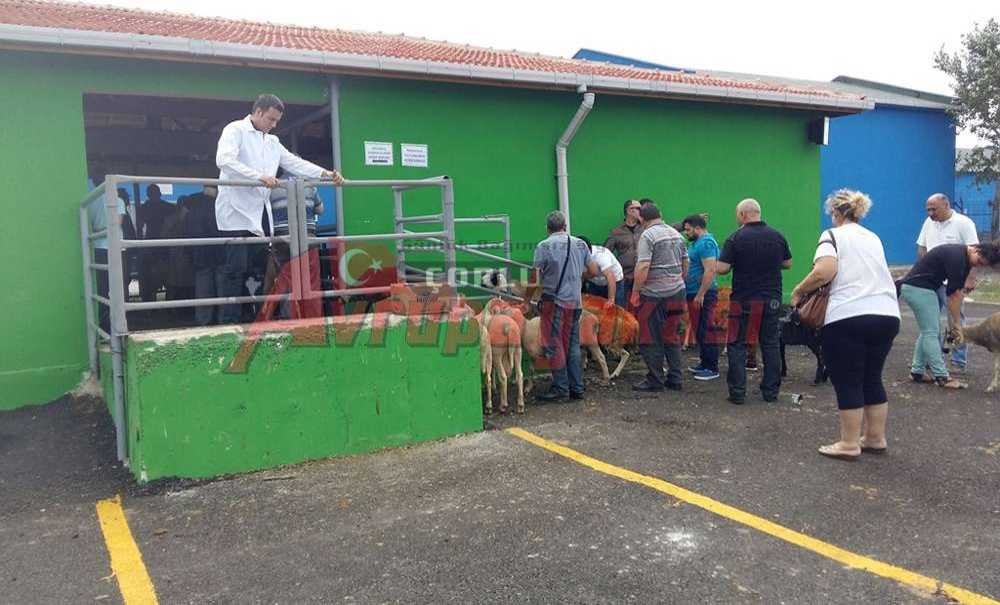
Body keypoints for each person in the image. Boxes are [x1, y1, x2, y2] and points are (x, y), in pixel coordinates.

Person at [790, 190, 901, 461]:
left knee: (848, 378)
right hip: (887, 313)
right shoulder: (873, 238)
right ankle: (875, 438)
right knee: (872, 377)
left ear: (836, 213)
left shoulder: (832, 235)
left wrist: (798, 290)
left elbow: (825, 270)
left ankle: (849, 443)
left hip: (849, 315)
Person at [214, 93, 343, 324]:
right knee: (235, 267)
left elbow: (294, 163)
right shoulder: (235, 130)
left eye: (277, 121)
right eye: (271, 119)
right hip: (235, 209)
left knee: (259, 267)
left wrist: (325, 173)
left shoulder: (272, 142)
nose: (274, 125)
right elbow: (224, 160)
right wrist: (259, 177)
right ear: (259, 112)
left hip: (260, 213)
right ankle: (229, 320)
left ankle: (255, 316)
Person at [716, 198, 792, 404]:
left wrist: (714, 263)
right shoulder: (777, 236)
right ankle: (770, 393)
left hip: (743, 300)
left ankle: (738, 393)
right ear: (758, 212)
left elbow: (723, 268)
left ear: (742, 215)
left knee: (736, 344)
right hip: (772, 299)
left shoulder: (736, 238)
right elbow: (788, 263)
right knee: (770, 343)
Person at [898, 240, 1000, 388]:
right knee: (932, 332)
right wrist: (957, 323)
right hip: (917, 288)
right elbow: (953, 295)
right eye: (979, 261)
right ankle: (942, 376)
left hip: (925, 287)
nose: (978, 265)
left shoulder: (964, 259)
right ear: (975, 250)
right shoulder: (958, 258)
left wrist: (957, 322)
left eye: (982, 265)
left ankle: (917, 371)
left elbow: (957, 293)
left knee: (929, 329)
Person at [525, 210, 599, 402]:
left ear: (548, 228)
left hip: (553, 303)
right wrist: (576, 279)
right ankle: (577, 388)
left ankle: (561, 389)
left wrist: (526, 300)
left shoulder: (544, 246)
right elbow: (593, 270)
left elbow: (534, 279)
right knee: (573, 345)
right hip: (575, 305)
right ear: (565, 226)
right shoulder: (580, 244)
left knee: (553, 346)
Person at [916, 193, 979, 372]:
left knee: (956, 320)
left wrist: (971, 278)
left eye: (933, 209)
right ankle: (933, 360)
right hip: (931, 281)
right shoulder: (929, 223)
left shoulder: (964, 223)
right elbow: (922, 247)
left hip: (953, 282)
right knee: (929, 322)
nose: (930, 213)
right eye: (927, 209)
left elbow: (975, 253)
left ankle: (958, 362)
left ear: (946, 205)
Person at [630, 201, 688, 392]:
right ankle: (676, 378)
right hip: (677, 292)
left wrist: (636, 291)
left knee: (650, 337)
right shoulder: (676, 234)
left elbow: (644, 266)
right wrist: (679, 280)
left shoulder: (648, 235)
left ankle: (655, 379)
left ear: (642, 219)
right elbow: (685, 261)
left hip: (654, 295)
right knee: (672, 335)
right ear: (660, 214)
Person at [262, 183, 324, 319]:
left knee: (286, 283)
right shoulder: (310, 186)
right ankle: (313, 319)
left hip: (283, 240)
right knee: (311, 283)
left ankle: (289, 320)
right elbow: (320, 210)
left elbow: (266, 211)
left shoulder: (273, 188)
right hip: (308, 239)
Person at [682, 213, 721, 381]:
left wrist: (701, 294)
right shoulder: (697, 242)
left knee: (707, 329)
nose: (686, 233)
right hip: (694, 292)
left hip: (704, 294)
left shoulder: (706, 243)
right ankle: (704, 363)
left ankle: (712, 367)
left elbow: (710, 270)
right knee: (699, 330)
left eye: (688, 230)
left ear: (698, 228)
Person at [138, 184, 174, 304]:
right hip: (164, 244)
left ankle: (150, 304)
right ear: (159, 193)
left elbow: (140, 226)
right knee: (168, 274)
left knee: (149, 275)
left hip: (150, 244)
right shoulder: (168, 207)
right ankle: (171, 304)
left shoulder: (144, 207)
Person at [605, 199, 643, 307]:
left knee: (643, 308)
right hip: (624, 276)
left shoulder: (645, 228)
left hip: (642, 275)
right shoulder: (616, 232)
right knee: (623, 307)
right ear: (629, 210)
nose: (641, 211)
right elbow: (606, 251)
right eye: (638, 208)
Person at [579, 236, 623, 308]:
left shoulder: (601, 256)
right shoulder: (575, 254)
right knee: (593, 306)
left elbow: (610, 276)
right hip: (594, 282)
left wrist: (611, 299)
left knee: (615, 308)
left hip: (614, 281)